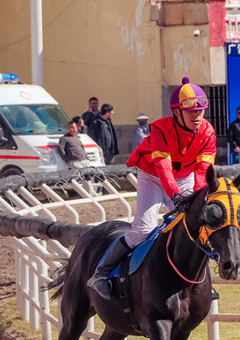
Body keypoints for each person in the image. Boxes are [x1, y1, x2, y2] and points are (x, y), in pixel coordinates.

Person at [87, 78, 217, 300]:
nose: (197, 116)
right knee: (143, 230)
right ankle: (100, 274)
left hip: (184, 178)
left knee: (194, 226)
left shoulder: (208, 132)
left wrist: (198, 198)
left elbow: (203, 170)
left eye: (200, 111)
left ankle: (204, 284)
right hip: (154, 178)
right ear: (176, 112)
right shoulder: (160, 129)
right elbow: (163, 166)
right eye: (191, 112)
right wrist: (175, 195)